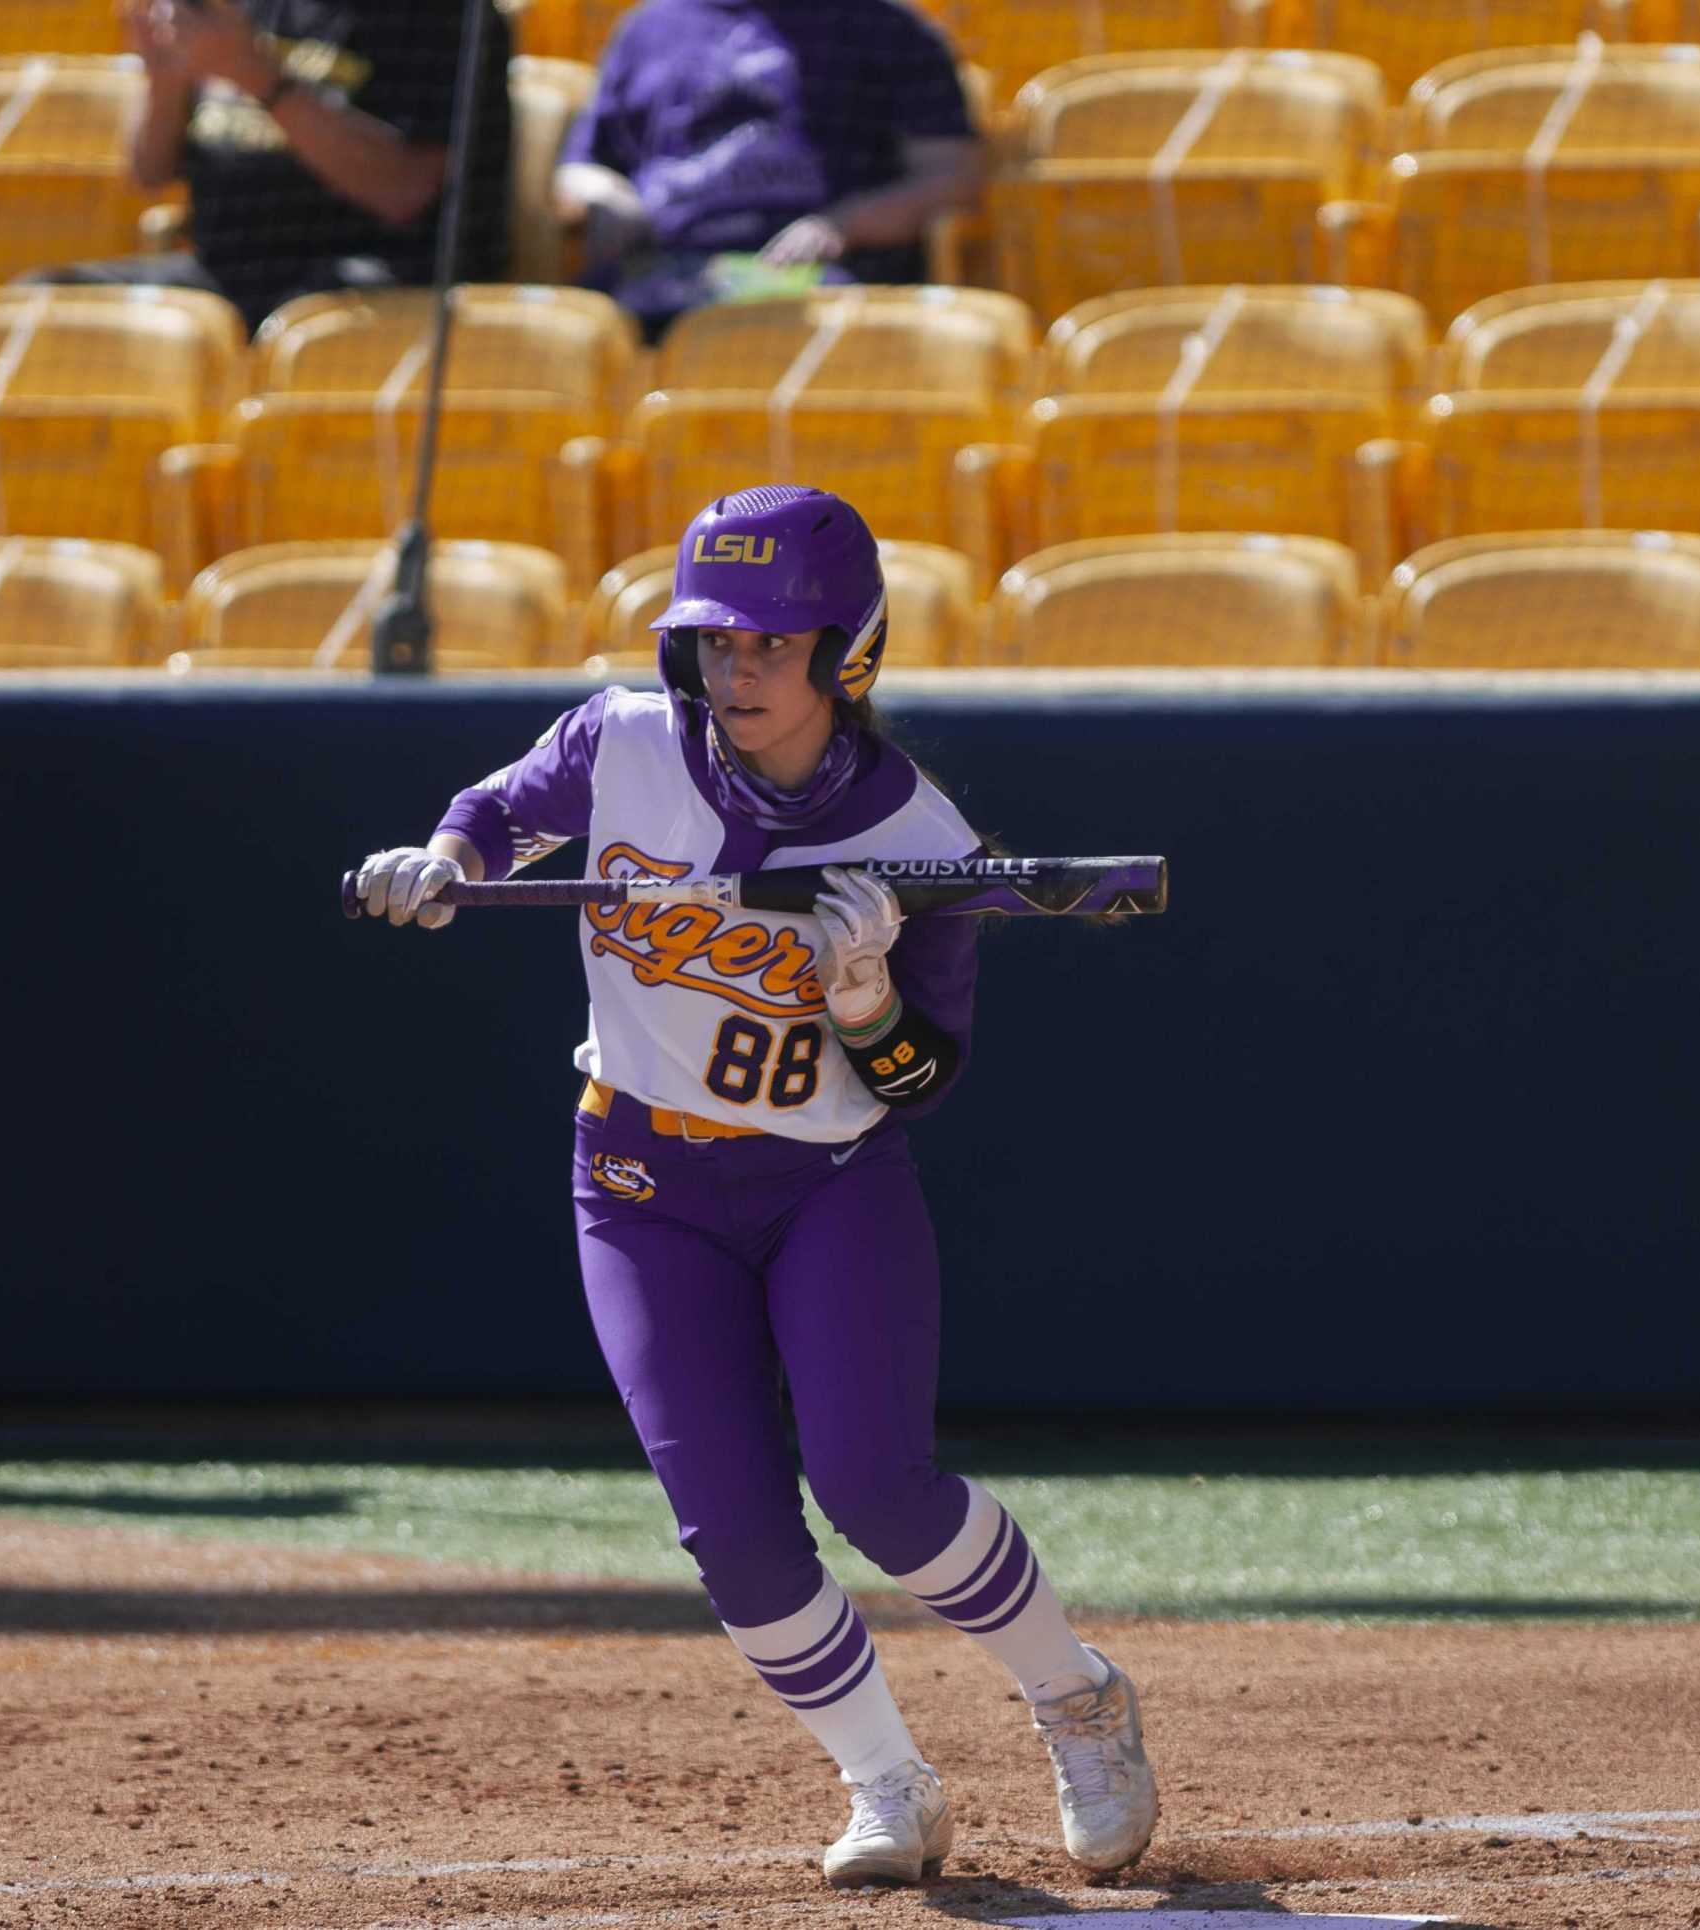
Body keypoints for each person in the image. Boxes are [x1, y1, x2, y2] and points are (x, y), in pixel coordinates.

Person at [348, 485, 1157, 1886]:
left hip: (825, 1180)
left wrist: (860, 995)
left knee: (878, 1485)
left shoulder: (925, 836)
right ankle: (888, 1781)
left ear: (849, 656)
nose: (736, 675)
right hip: (638, 1178)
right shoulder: (623, 737)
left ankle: (1078, 1696)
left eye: (771, 646)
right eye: (715, 645)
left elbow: (918, 1079)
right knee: (729, 1523)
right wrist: (449, 862)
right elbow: (499, 810)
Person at [28, 0, 513, 335]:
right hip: (225, 277)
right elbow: (149, 171)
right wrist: (165, 75)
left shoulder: (450, 17)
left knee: (290, 333)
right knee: (43, 305)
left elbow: (405, 190)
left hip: (372, 294)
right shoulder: (246, 6)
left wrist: (257, 75)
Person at [552, 0, 984, 340]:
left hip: (829, 287)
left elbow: (952, 177)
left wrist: (845, 224)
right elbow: (583, 167)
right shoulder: (647, 29)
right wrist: (607, 197)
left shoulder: (892, 31)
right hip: (662, 271)